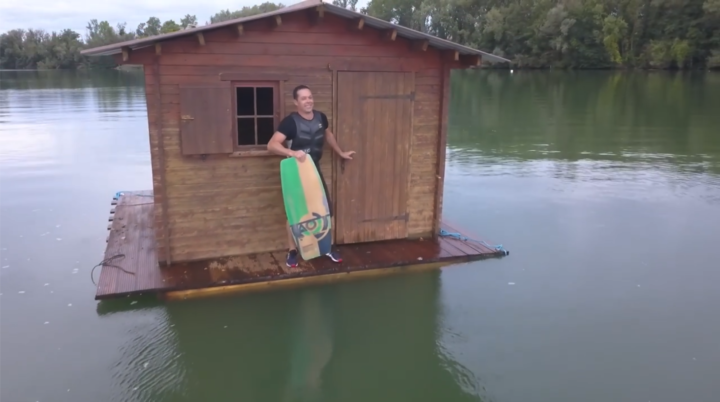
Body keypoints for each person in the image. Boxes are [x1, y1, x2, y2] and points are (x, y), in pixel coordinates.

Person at [267, 84, 356, 268]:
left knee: (325, 209)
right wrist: (292, 153)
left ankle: (327, 247)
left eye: (310, 97)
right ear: (296, 102)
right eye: (303, 98)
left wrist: (340, 152)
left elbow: (327, 134)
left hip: (313, 169)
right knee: (295, 213)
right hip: (296, 171)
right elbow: (272, 145)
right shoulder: (290, 122)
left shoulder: (320, 117)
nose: (308, 101)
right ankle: (292, 251)